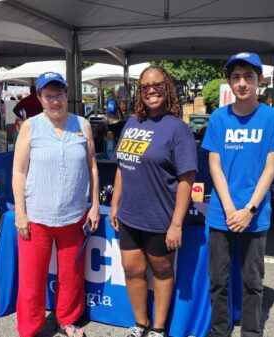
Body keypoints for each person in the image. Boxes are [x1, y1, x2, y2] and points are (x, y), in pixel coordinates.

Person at [201, 52, 274, 337]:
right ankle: (219, 330)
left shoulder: (273, 118)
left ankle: (251, 332)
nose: (242, 83)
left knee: (253, 281)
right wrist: (230, 209)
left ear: (260, 80)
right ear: (229, 81)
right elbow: (214, 164)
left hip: (255, 215)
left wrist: (249, 210)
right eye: (237, 77)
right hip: (221, 214)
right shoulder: (218, 117)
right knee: (218, 280)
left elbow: (270, 168)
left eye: (248, 77)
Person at [109, 65, 197, 337]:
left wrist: (176, 224)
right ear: (140, 93)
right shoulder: (132, 123)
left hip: (160, 218)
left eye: (157, 85)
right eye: (145, 87)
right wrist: (114, 203)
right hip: (129, 215)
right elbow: (123, 165)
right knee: (131, 269)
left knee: (161, 269)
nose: (151, 91)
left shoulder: (178, 129)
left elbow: (187, 179)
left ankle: (158, 329)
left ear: (167, 88)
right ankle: (140, 324)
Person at [12, 72, 99, 337]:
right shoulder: (30, 127)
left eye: (59, 94)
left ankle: (67, 320)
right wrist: (21, 213)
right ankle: (29, 329)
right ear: (39, 98)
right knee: (31, 279)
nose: (55, 100)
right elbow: (19, 171)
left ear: (67, 95)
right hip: (37, 216)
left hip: (73, 215)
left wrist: (94, 205)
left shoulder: (82, 125)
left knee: (71, 274)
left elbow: (92, 166)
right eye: (48, 95)